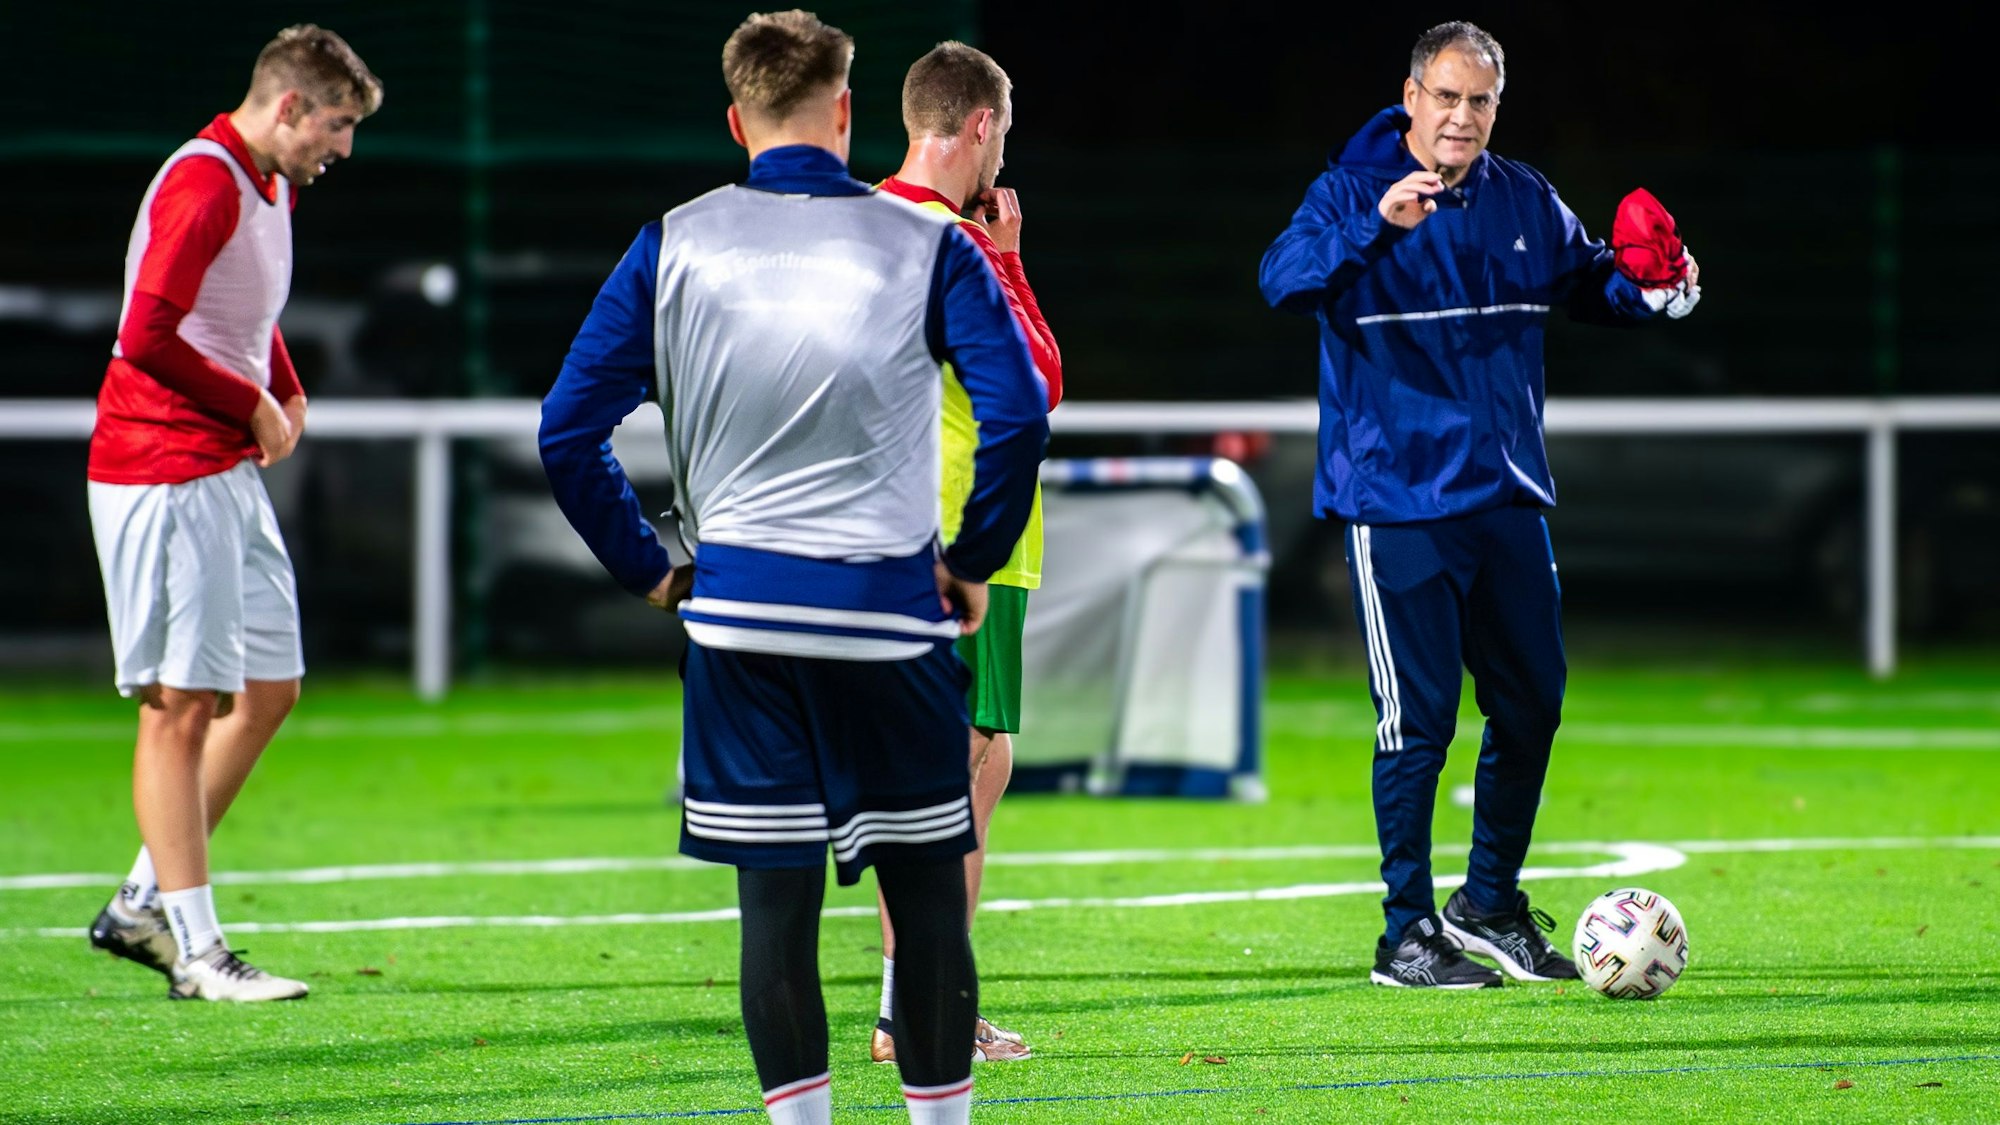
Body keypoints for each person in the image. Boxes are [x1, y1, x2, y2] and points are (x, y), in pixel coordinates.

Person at [537, 11, 1047, 1124]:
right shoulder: (928, 244)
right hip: (883, 613)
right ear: (848, 111)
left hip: (739, 624)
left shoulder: (671, 243)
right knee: (922, 901)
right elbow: (1017, 412)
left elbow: (566, 433)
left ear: (734, 121)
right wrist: (968, 561)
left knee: (773, 914)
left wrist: (650, 571)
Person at [1257, 20, 1701, 990]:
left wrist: (1657, 290)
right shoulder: (1346, 192)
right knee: (1413, 725)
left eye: (1480, 101)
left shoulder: (1521, 196)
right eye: (1446, 98)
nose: (1462, 117)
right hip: (1396, 502)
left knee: (1532, 702)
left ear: (1496, 106)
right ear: (1409, 97)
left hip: (1503, 499)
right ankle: (1403, 934)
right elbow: (1280, 281)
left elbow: (1590, 282)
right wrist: (1380, 222)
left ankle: (1488, 904)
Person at [84, 24, 382, 1003]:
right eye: (336, 125)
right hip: (162, 470)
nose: (342, 147)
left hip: (216, 470)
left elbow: (240, 314)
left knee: (267, 691)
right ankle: (199, 955)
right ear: (289, 105)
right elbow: (146, 334)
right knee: (179, 709)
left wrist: (283, 384)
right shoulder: (206, 178)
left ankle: (140, 903)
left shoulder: (269, 182)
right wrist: (250, 403)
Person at [869, 40, 1062, 1067]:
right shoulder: (960, 244)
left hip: (874, 534)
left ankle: (905, 1005)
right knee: (970, 777)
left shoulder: (861, 221)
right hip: (972, 541)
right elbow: (1039, 381)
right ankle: (928, 1007)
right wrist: (1015, 261)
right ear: (981, 126)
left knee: (918, 781)